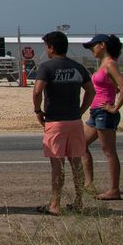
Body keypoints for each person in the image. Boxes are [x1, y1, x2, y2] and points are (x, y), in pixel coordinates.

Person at [33, 31, 96, 215]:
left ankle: (55, 204)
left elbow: (37, 91)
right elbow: (91, 91)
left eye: (47, 47)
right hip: (75, 121)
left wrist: (38, 111)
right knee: (76, 162)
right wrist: (81, 110)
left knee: (57, 165)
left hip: (55, 121)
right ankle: (78, 202)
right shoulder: (78, 67)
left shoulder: (47, 67)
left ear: (51, 47)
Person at [82, 33, 123, 200]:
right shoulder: (103, 63)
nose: (91, 50)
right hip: (96, 112)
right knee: (81, 145)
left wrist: (114, 108)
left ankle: (114, 190)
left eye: (92, 46)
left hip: (104, 113)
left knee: (109, 151)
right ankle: (88, 184)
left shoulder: (110, 64)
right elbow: (113, 86)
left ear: (102, 45)